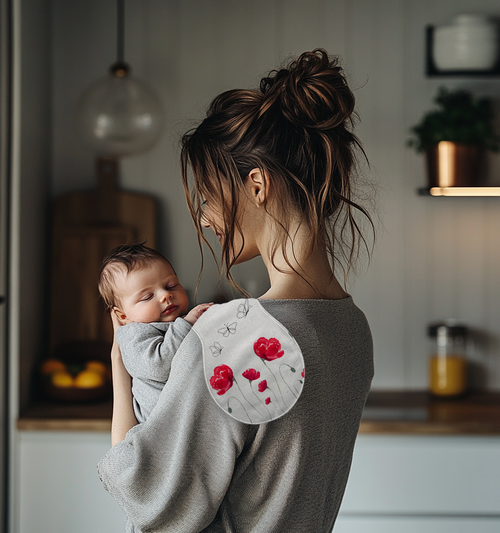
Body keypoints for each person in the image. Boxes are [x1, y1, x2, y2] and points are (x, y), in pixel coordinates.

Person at [98, 49, 375, 533]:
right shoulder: (351, 328)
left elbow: (149, 501)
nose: (205, 217)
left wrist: (120, 371)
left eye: (208, 196)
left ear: (256, 184)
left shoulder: (234, 336)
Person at [98, 243, 212, 422]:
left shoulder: (182, 321)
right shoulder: (133, 334)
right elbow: (158, 366)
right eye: (147, 297)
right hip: (161, 425)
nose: (165, 295)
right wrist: (187, 324)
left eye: (171, 285)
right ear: (122, 316)